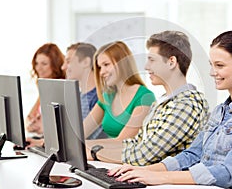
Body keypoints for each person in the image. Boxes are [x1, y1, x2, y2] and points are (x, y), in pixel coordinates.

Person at [108, 30, 232, 189]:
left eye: (220, 65)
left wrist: (159, 177)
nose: (212, 72)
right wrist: (142, 171)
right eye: (211, 65)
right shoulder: (220, 111)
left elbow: (226, 173)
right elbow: (192, 154)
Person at [85, 30, 209, 166]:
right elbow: (135, 142)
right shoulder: (163, 103)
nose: (146, 66)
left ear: (171, 62)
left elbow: (144, 154)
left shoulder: (186, 105)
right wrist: (89, 148)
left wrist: (94, 152)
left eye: (152, 60)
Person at [83, 41, 156, 140]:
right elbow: (81, 132)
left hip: (124, 154)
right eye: (100, 67)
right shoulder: (108, 96)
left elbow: (121, 142)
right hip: (104, 153)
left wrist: (89, 147)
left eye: (106, 64)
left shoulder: (145, 97)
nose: (101, 72)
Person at [62, 42, 106, 139]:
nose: (63, 67)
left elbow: (80, 137)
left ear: (86, 62)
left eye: (68, 61)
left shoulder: (100, 98)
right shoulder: (78, 96)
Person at [26, 43, 65, 137]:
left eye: (44, 64)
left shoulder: (60, 87)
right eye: (36, 63)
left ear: (55, 65)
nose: (38, 68)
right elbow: (29, 118)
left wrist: (37, 125)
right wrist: (32, 123)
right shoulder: (45, 86)